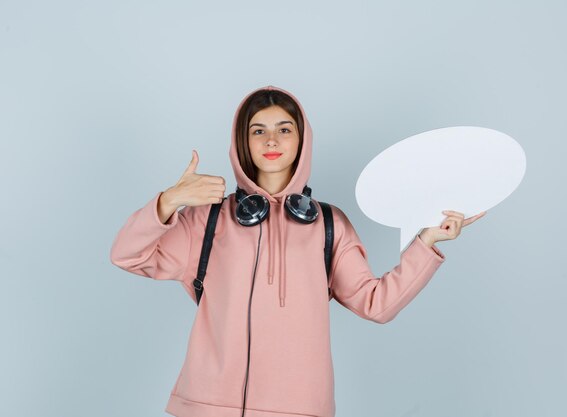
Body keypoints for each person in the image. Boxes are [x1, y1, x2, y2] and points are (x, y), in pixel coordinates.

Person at [109, 85, 486, 417]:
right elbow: (128, 255)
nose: (271, 141)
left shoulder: (329, 224)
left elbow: (377, 304)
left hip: (300, 408)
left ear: (301, 140)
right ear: (244, 141)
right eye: (259, 131)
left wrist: (426, 244)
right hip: (208, 406)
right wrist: (169, 201)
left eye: (284, 129)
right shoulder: (206, 220)